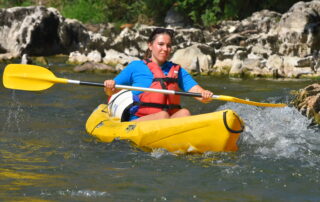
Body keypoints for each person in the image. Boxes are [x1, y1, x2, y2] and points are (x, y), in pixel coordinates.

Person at [104, 27, 213, 122]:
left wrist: (205, 95)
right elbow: (110, 91)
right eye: (161, 44)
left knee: (184, 112)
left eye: (168, 45)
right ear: (150, 46)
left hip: (167, 122)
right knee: (162, 115)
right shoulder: (135, 67)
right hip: (139, 121)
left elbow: (198, 93)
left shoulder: (176, 70)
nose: (165, 49)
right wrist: (109, 85)